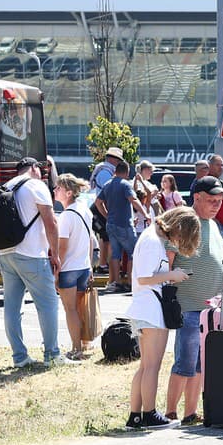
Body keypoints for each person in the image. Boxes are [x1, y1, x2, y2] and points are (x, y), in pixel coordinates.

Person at [124, 207, 200, 431]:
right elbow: (145, 277)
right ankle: (148, 414)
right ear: (176, 226)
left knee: (145, 366)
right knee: (151, 367)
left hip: (144, 309)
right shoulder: (152, 241)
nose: (178, 241)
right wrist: (172, 275)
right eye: (180, 236)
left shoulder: (151, 237)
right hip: (150, 310)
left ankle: (135, 416)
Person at [164, 176, 223, 425]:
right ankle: (170, 411)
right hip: (189, 306)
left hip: (210, 310)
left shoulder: (213, 224)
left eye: (219, 201)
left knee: (201, 365)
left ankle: (190, 412)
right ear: (196, 198)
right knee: (185, 363)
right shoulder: (185, 222)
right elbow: (167, 259)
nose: (216, 205)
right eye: (211, 200)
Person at [0, 157, 67, 367]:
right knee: (48, 304)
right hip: (31, 253)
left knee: (12, 306)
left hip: (5, 253)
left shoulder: (6, 186)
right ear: (34, 168)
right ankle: (52, 355)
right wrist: (54, 253)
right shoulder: (36, 185)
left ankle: (19, 357)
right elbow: (51, 221)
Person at [54, 173, 94, 360]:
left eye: (58, 188)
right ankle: (84, 344)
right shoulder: (85, 209)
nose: (55, 190)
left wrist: (56, 270)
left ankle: (76, 348)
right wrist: (91, 265)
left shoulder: (66, 216)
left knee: (70, 309)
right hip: (83, 266)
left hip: (69, 268)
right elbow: (90, 241)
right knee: (79, 308)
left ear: (68, 192)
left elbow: (62, 247)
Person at [94, 160, 149, 293]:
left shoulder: (107, 185)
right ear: (127, 172)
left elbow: (98, 202)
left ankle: (116, 282)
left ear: (115, 171)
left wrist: (107, 215)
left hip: (111, 224)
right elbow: (134, 200)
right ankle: (131, 282)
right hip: (124, 224)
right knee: (133, 253)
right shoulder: (125, 184)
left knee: (115, 254)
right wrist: (146, 214)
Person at [88, 147, 124, 275]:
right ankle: (103, 264)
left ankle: (104, 264)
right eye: (119, 160)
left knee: (106, 237)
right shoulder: (105, 172)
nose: (119, 163)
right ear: (113, 159)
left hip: (101, 208)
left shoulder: (105, 171)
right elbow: (107, 194)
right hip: (100, 208)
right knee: (106, 237)